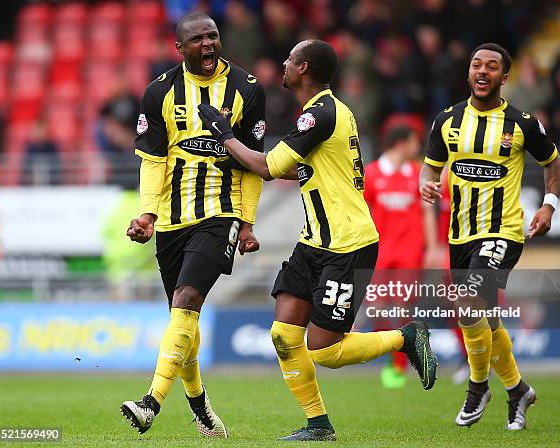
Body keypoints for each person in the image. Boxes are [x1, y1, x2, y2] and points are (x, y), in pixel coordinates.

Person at [198, 39, 437, 442]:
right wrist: (240, 156)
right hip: (315, 243)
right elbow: (305, 171)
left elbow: (272, 167)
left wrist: (224, 136)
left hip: (348, 244)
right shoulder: (327, 113)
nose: (284, 64)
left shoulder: (321, 115)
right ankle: (318, 424)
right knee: (283, 334)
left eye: (290, 59)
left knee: (324, 349)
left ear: (304, 68)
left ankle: (406, 337)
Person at [120, 12, 266, 438]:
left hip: (219, 216)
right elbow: (153, 159)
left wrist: (248, 222)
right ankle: (200, 404)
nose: (208, 44)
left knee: (186, 299)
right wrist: (148, 213)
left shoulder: (246, 88)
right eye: (198, 39)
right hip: (171, 219)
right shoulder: (160, 91)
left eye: (213, 36)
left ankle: (151, 403)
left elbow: (253, 166)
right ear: (179, 48)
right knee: (183, 316)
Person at [420, 43, 560, 430]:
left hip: (502, 230)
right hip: (459, 235)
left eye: (492, 66)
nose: (482, 71)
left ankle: (477, 385)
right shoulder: (446, 121)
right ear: (468, 73)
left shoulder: (521, 123)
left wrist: (549, 205)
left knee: (470, 301)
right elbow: (429, 170)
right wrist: (427, 186)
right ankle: (517, 390)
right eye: (476, 65)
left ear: (505, 77)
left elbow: (553, 162)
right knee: (483, 318)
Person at [363, 125, 442, 389]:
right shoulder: (372, 173)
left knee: (402, 309)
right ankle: (396, 355)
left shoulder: (419, 174)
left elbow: (428, 212)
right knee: (375, 308)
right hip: (379, 252)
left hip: (410, 252)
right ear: (400, 143)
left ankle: (397, 365)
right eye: (414, 141)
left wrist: (433, 248)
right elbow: (361, 211)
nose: (418, 147)